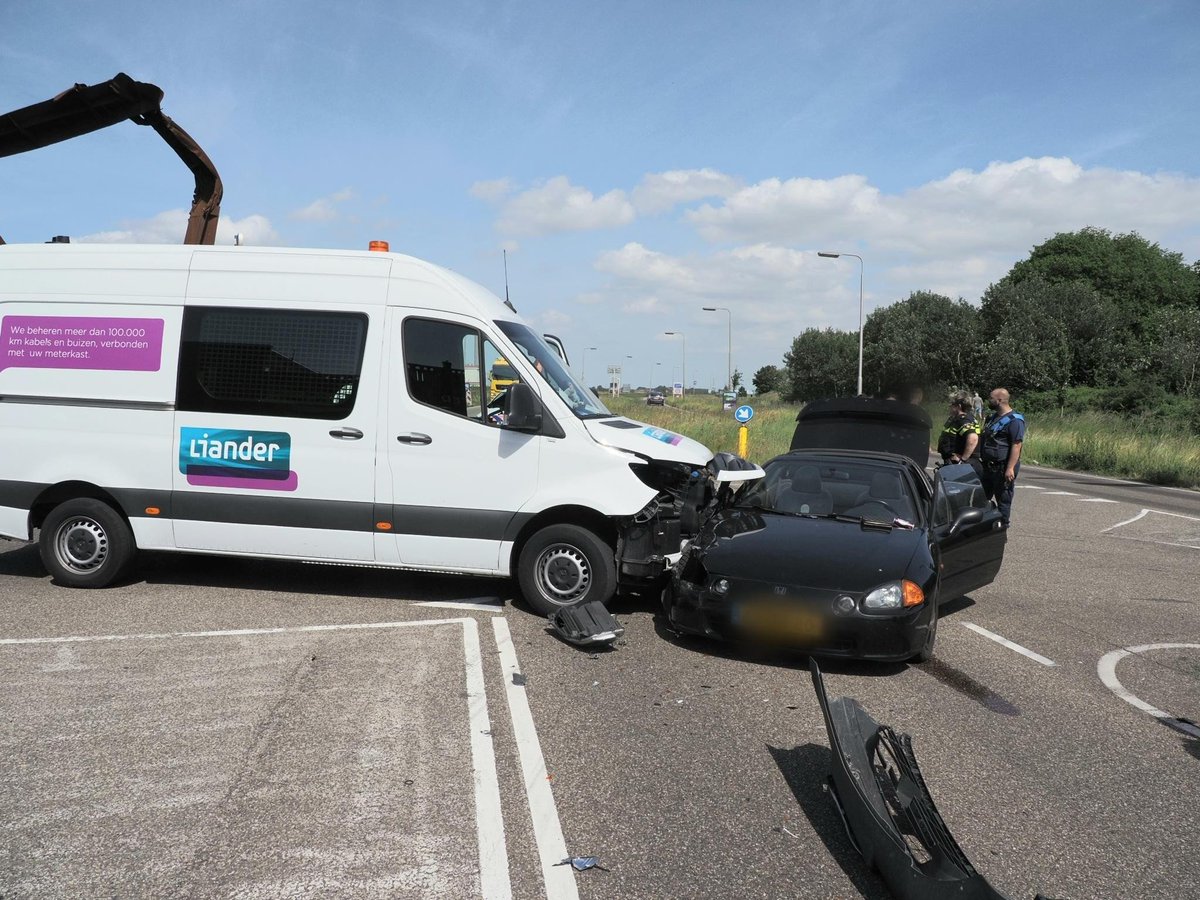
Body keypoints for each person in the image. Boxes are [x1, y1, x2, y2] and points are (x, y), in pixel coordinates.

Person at [979, 387, 1025, 528]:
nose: (988, 400)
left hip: (1002, 467)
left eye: (991, 398)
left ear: (999, 400)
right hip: (988, 466)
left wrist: (1010, 468)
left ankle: (1003, 526)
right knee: (980, 499)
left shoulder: (1015, 420)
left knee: (1003, 499)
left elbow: (1016, 445)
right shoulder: (992, 418)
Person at [937, 392, 980, 465]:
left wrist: (963, 460)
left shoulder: (963, 420)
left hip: (959, 464)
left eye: (952, 405)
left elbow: (973, 438)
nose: (949, 407)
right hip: (951, 462)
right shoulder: (958, 419)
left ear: (959, 406)